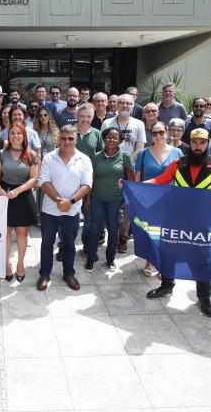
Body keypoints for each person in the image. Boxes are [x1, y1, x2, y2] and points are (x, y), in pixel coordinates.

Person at [144, 128, 211, 317]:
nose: (198, 147)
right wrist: (135, 186)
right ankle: (166, 286)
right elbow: (160, 181)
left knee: (202, 261)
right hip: (176, 219)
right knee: (168, 253)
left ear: (208, 143)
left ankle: (204, 297)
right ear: (190, 143)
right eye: (194, 142)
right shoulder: (178, 163)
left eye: (202, 143)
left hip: (202, 223)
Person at [36, 125, 93, 291]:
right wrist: (60, 200)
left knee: (69, 244)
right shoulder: (49, 158)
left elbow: (87, 185)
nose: (66, 142)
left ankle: (68, 273)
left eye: (70, 138)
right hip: (49, 210)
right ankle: (44, 274)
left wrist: (71, 201)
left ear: (76, 140)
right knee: (47, 243)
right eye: (63, 138)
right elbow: (43, 181)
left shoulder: (84, 159)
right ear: (58, 139)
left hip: (72, 210)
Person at [135, 121, 183, 277]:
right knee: (151, 231)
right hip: (149, 199)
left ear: (167, 132)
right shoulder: (143, 153)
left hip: (171, 199)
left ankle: (165, 263)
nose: (158, 136)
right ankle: (151, 260)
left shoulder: (177, 153)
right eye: (154, 133)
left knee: (167, 233)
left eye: (161, 132)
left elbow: (182, 178)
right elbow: (137, 178)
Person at [0, 123, 39, 282]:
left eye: (19, 133)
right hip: (5, 195)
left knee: (22, 233)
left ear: (24, 135)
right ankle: (6, 264)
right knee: (6, 233)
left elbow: (34, 178)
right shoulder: (1, 153)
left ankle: (20, 264)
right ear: (8, 135)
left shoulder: (31, 154)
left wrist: (18, 191)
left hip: (23, 195)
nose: (15, 136)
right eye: (12, 133)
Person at [101, 94, 146, 253]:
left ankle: (123, 238)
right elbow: (103, 144)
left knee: (126, 206)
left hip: (129, 170)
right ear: (116, 105)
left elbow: (139, 148)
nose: (124, 106)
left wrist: (124, 162)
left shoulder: (138, 124)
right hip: (108, 168)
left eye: (128, 103)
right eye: (121, 103)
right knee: (106, 199)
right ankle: (104, 232)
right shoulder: (107, 122)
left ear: (133, 106)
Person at [87, 127, 134, 272]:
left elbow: (130, 180)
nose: (111, 140)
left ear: (120, 141)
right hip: (97, 197)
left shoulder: (125, 156)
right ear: (104, 138)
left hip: (116, 199)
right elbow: (92, 179)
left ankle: (110, 259)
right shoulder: (97, 156)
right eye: (108, 137)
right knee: (94, 229)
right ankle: (91, 257)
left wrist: (127, 200)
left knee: (113, 230)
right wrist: (88, 199)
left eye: (114, 138)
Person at [72, 103, 103, 263]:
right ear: (77, 116)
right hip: (70, 181)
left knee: (90, 219)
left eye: (88, 116)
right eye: (82, 116)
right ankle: (65, 246)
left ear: (93, 117)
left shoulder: (97, 134)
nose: (85, 119)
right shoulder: (69, 132)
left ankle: (87, 247)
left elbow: (100, 158)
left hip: (90, 184)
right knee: (68, 216)